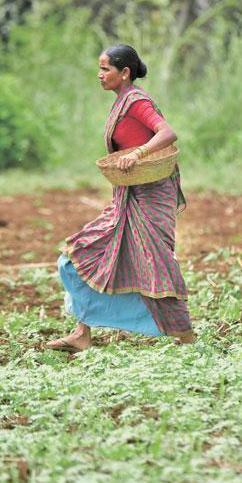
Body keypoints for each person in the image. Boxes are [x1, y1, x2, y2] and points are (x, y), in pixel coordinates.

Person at [45, 44, 196, 351]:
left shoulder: (136, 101)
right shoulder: (120, 102)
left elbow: (167, 133)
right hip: (128, 198)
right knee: (75, 259)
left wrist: (139, 153)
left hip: (150, 198)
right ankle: (82, 332)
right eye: (99, 69)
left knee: (155, 264)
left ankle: (186, 338)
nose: (99, 75)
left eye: (105, 69)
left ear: (124, 73)